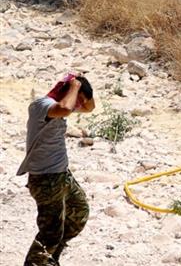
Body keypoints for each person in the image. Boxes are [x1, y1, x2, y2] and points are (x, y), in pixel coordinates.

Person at [18, 73, 96, 266]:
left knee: (79, 211)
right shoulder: (41, 106)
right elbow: (65, 107)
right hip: (45, 180)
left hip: (61, 175)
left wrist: (81, 85)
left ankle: (49, 259)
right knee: (50, 233)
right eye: (77, 100)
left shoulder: (61, 106)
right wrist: (74, 87)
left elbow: (90, 107)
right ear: (66, 91)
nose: (78, 106)